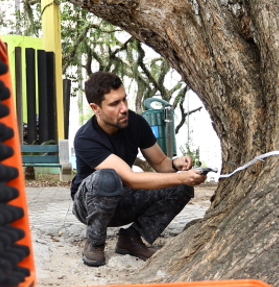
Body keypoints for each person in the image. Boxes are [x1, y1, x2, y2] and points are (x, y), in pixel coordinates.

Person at [71, 71, 205, 267]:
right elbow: (130, 178)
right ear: (95, 108)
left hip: (123, 199)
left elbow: (161, 164)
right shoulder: (85, 138)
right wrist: (183, 177)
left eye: (124, 100)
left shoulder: (136, 122)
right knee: (107, 178)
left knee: (181, 187)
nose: (124, 108)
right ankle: (95, 241)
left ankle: (131, 238)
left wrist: (177, 164)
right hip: (88, 205)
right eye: (114, 104)